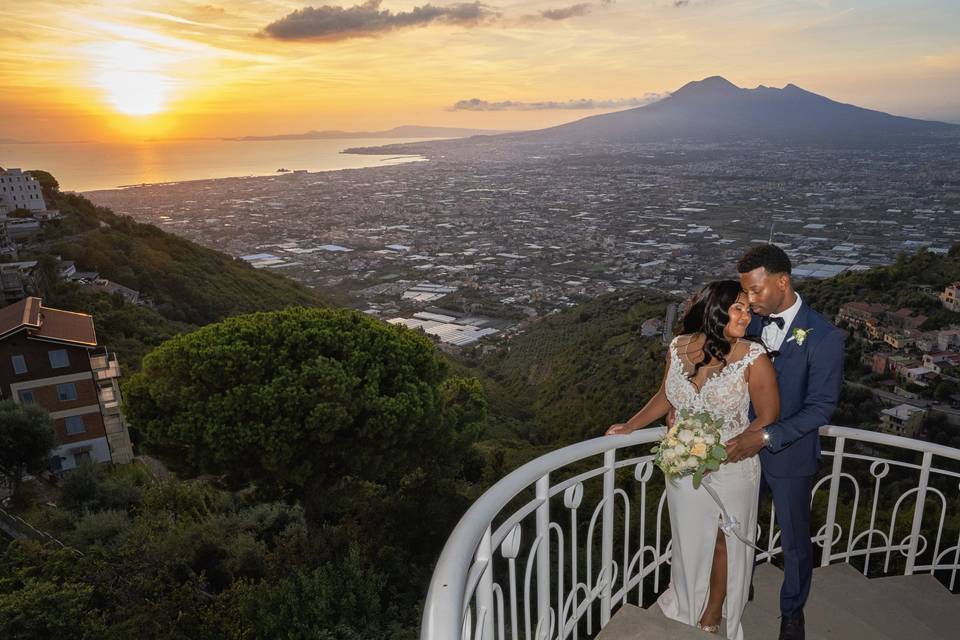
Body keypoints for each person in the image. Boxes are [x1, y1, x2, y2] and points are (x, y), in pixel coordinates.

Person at [606, 280, 779, 639]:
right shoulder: (678, 347)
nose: (747, 316)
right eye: (739, 308)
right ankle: (688, 602)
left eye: (748, 309)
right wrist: (631, 425)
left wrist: (743, 442)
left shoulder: (753, 357)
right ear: (716, 309)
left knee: (723, 540)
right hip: (683, 465)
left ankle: (713, 613)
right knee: (689, 539)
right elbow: (665, 396)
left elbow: (768, 415)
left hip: (732, 467)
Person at [725, 244, 845, 640]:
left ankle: (792, 612)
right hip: (741, 450)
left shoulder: (824, 337)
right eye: (746, 293)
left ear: (782, 282)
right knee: (737, 523)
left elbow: (820, 410)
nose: (749, 300)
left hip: (789, 455)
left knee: (794, 543)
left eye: (756, 290)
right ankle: (742, 584)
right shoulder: (751, 323)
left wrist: (765, 437)